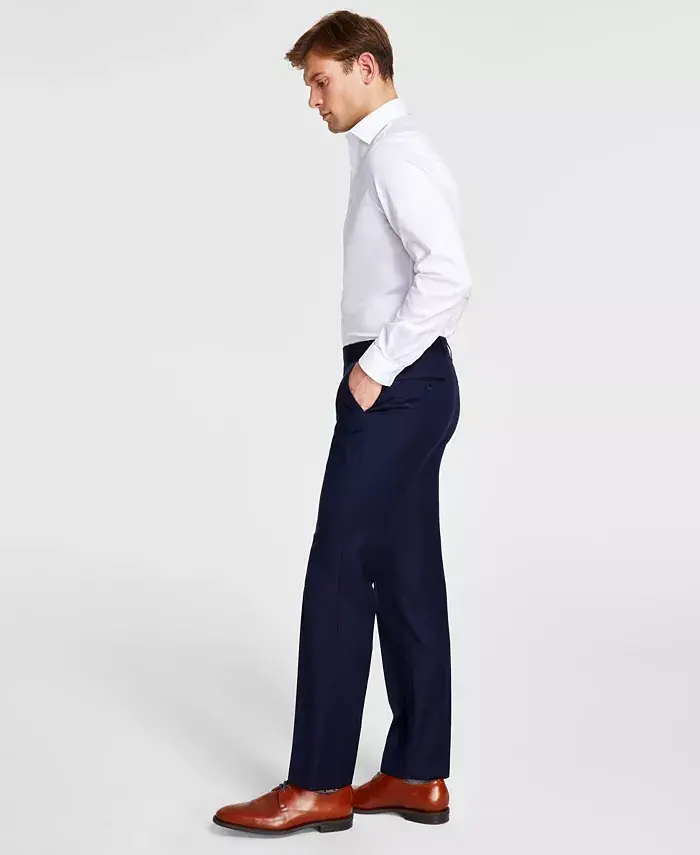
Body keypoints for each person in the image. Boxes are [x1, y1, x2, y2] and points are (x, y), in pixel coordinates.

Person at [213, 10, 472, 836]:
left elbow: (449, 276)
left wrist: (373, 368)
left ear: (367, 67)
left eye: (321, 81)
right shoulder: (382, 153)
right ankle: (417, 772)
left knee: (337, 571)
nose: (313, 100)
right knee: (405, 572)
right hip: (411, 384)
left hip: (397, 383)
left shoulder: (397, 155)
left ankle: (319, 782)